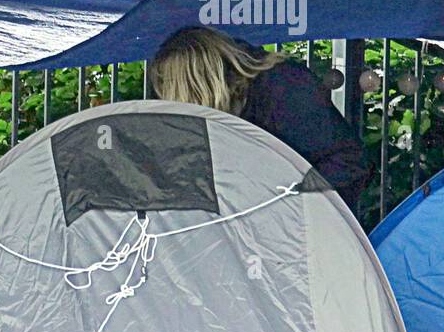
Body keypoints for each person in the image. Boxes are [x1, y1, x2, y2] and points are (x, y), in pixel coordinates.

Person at [148, 26, 371, 210]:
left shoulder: (285, 88)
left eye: (172, 90)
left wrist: (284, 201)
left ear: (197, 83)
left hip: (300, 231)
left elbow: (348, 162)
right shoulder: (247, 97)